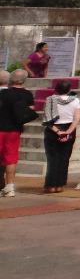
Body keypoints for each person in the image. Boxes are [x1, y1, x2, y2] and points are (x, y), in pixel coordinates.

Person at [0, 69, 38, 197]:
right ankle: (10, 187)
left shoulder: (4, 93)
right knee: (11, 158)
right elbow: (30, 110)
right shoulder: (27, 94)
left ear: (11, 79)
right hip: (15, 129)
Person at [41, 80, 80, 193]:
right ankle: (60, 185)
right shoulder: (75, 100)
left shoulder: (50, 100)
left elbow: (47, 119)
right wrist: (68, 132)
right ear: (69, 90)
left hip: (53, 129)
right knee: (64, 158)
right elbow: (77, 118)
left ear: (56, 89)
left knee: (53, 158)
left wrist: (58, 132)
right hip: (69, 128)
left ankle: (51, 185)